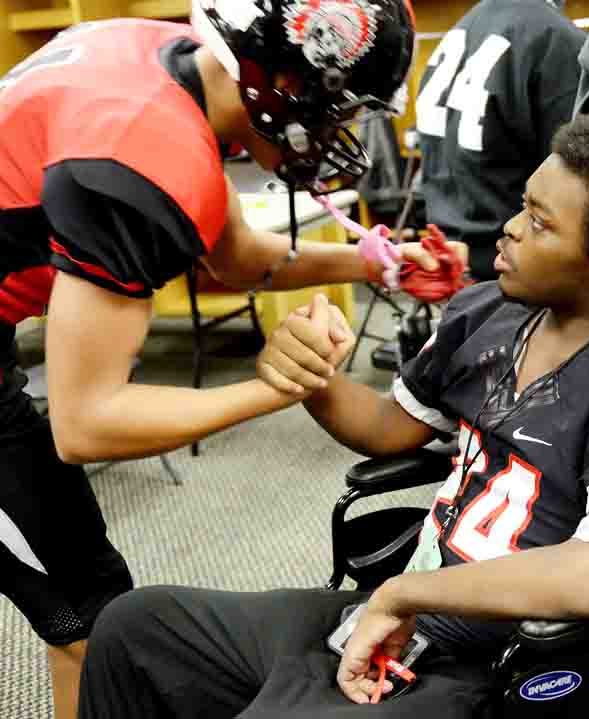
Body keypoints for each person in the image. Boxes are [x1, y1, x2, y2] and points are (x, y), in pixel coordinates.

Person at [77, 112, 589, 719]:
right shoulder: (488, 312)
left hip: (496, 659)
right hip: (409, 612)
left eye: (541, 223)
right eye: (523, 205)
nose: (510, 228)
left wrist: (401, 595)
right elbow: (390, 431)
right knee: (135, 628)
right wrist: (311, 375)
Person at [0, 1, 429, 717]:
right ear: (277, 79)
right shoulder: (139, 147)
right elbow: (86, 423)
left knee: (92, 601)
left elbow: (238, 257)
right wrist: (272, 389)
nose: (337, 131)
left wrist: (372, 265)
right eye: (334, 107)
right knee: (86, 614)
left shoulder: (175, 67)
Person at [416, 0, 586, 280]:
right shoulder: (555, 39)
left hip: (449, 259)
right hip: (512, 269)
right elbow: (573, 180)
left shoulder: (463, 27)